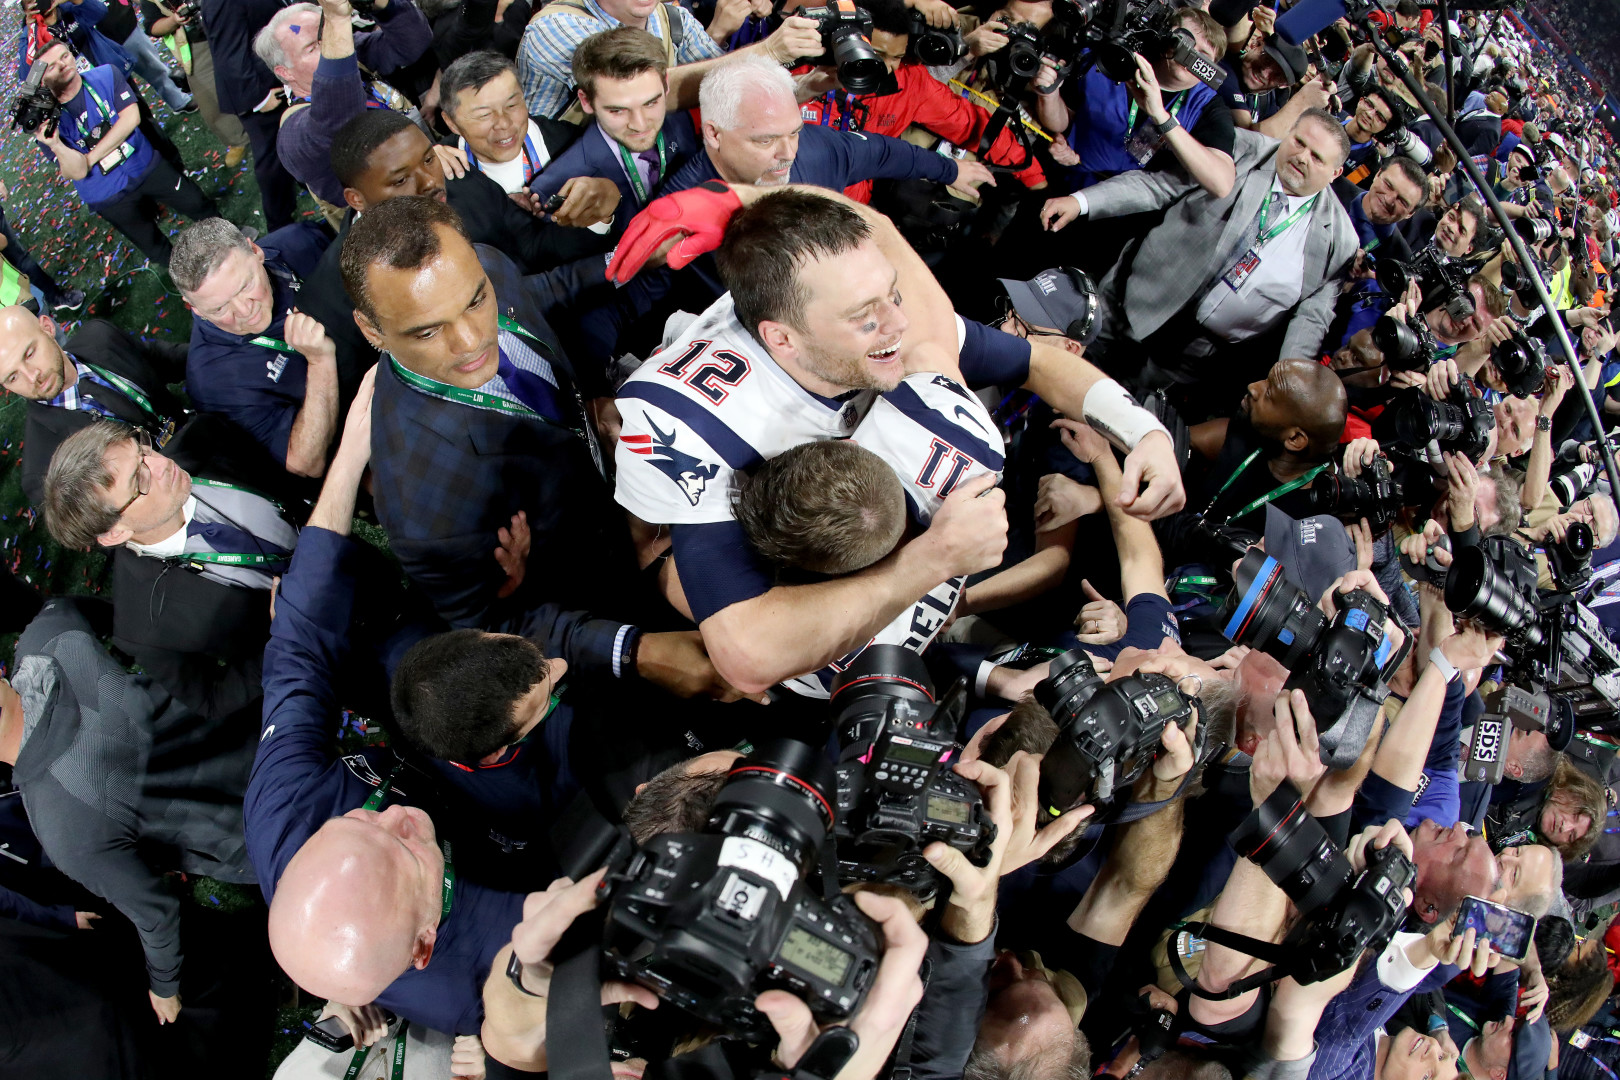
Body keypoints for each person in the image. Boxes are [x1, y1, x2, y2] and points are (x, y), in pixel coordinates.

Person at [610, 184, 1183, 700]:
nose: (898, 322)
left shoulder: (898, 348)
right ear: (782, 338)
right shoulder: (687, 421)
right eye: (866, 315)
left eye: (892, 294)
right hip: (792, 637)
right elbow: (746, 650)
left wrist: (1144, 433)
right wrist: (935, 559)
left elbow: (1035, 360)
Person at [341, 195, 741, 709]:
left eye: (476, 302)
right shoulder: (422, 506)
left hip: (633, 480)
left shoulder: (481, 265)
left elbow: (530, 294)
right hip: (598, 583)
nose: (472, 340)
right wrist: (633, 651)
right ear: (371, 330)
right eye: (428, 331)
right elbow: (492, 629)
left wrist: (628, 261)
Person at [247, 375, 523, 1035]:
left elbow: (297, 656)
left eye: (356, 820)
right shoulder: (479, 977)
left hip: (435, 748)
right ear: (423, 943)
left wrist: (347, 458)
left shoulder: (285, 815)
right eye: (403, 848)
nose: (393, 814)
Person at [2, 594, 257, 1027]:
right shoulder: (46, 634)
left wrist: (165, 987)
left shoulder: (64, 829)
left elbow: (157, 912)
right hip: (266, 721)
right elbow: (89, 609)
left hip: (260, 827)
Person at [1042, 111, 1359, 404]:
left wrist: (1287, 388)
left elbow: (1311, 319)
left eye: (1316, 157)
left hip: (1190, 356)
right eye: (1299, 142)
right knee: (1057, 376)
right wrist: (1083, 202)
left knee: (1108, 412)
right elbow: (1160, 185)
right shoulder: (1239, 148)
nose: (1301, 157)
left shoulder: (1340, 239)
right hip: (1131, 300)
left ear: (1335, 173)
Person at [39, 420, 304, 723]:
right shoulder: (143, 629)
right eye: (140, 478)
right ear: (114, 533)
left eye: (142, 450)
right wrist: (280, 640)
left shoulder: (204, 437)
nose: (162, 464)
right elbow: (213, 698)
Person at [659, 54, 993, 201]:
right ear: (714, 134)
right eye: (765, 140)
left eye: (794, 132)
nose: (788, 154)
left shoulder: (820, 149)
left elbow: (884, 152)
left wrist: (950, 170)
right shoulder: (681, 205)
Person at [173, 218, 349, 478]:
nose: (245, 311)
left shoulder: (299, 240)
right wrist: (319, 363)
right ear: (195, 308)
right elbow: (306, 463)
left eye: (246, 286)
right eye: (219, 308)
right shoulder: (213, 383)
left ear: (256, 251)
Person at [28, 38, 221, 267]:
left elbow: (131, 119)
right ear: (42, 79)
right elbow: (76, 171)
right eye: (52, 66)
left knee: (197, 203)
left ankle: (233, 244)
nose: (63, 65)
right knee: (154, 246)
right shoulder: (44, 122)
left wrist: (89, 158)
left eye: (65, 56)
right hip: (106, 193)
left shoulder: (106, 75)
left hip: (143, 163)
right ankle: (189, 282)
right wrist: (56, 145)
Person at [1030, 4, 1237, 198]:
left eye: (1202, 55)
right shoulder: (1114, 57)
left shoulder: (1206, 104)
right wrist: (1048, 95)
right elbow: (1060, 122)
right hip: (1069, 177)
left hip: (1129, 201)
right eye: (1185, 42)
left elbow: (1221, 184)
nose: (1189, 56)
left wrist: (1162, 118)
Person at [255, 0, 433, 219]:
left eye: (326, 35)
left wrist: (383, 5)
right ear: (285, 72)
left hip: (431, 172)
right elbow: (341, 114)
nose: (330, 47)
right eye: (312, 47)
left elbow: (414, 43)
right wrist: (337, 20)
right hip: (397, 221)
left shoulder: (350, 55)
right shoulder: (294, 133)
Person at [516, 0, 820, 120]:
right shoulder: (556, 27)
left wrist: (808, 85)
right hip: (560, 186)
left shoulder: (674, 19)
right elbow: (641, 93)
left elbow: (721, 84)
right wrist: (768, 51)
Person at [527, 27, 705, 229]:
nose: (640, 124)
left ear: (666, 84)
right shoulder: (556, 190)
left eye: (650, 103)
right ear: (586, 101)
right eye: (618, 111)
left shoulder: (680, 119)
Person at [200, 0, 299, 229]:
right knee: (271, 159)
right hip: (261, 90)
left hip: (275, 74)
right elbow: (228, 55)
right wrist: (259, 98)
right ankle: (279, 223)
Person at [143, 0, 249, 163]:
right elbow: (153, 26)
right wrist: (174, 20)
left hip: (232, 23)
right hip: (197, 44)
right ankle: (237, 140)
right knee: (210, 101)